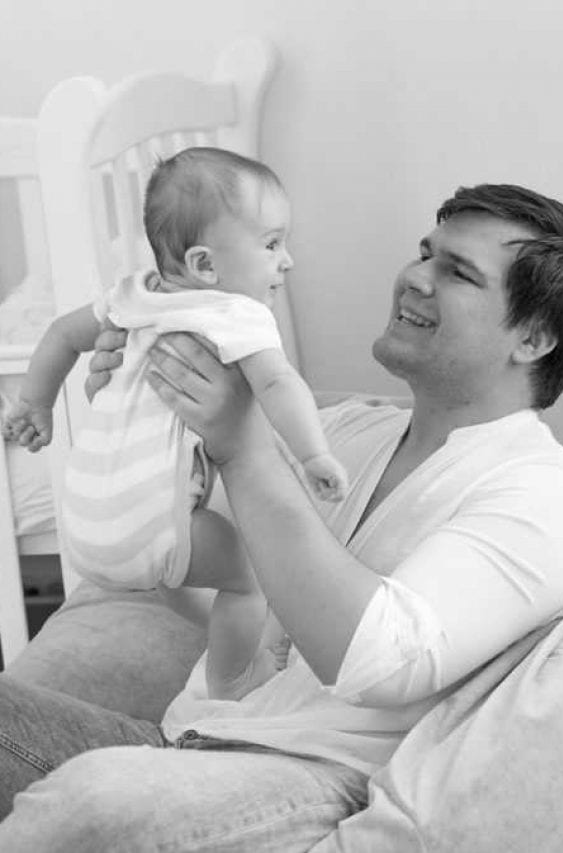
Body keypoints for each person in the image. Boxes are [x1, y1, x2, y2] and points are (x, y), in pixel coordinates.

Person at [0, 183, 563, 851]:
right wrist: (138, 386)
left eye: (457, 271)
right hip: (186, 742)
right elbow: (169, 548)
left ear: (532, 337)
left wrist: (241, 449)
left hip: (319, 780)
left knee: (96, 799)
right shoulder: (349, 432)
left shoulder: (545, 496)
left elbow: (382, 663)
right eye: (425, 253)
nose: (414, 276)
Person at [2, 146, 347, 700]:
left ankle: (218, 624)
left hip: (86, 529)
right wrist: (313, 454)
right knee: (251, 582)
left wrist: (35, 404)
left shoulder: (131, 296)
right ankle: (235, 680)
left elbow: (63, 336)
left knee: (179, 575)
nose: (288, 261)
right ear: (206, 265)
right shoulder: (233, 313)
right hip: (155, 528)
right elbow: (279, 383)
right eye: (272, 245)